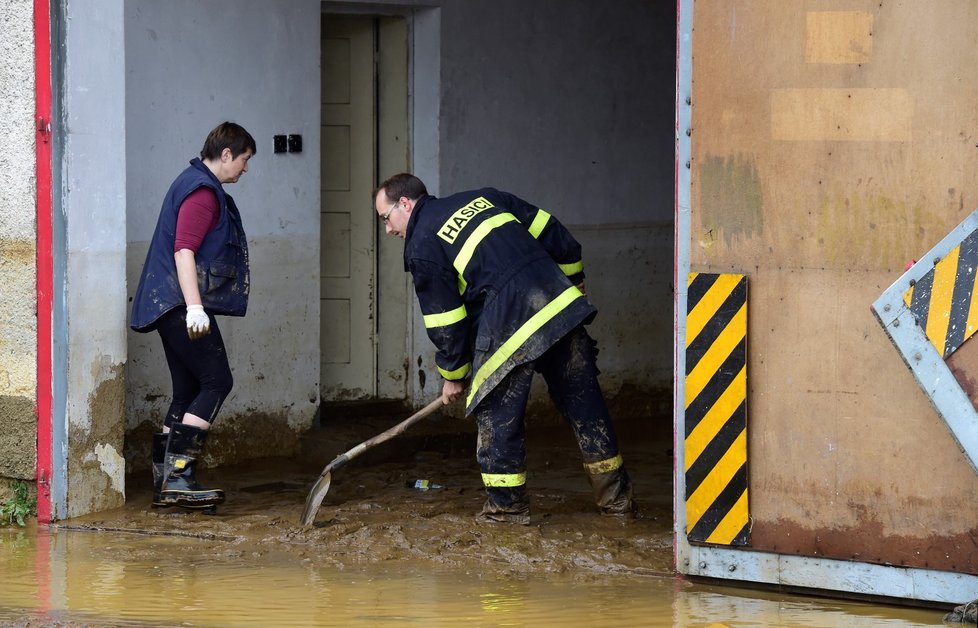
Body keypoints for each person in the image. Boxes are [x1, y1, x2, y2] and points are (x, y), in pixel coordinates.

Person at [372, 173, 634, 524]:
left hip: (510, 323)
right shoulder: (483, 197)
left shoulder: (422, 244)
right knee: (586, 406)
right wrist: (573, 280)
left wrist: (454, 375)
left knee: (496, 417)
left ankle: (506, 512)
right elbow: (552, 230)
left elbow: (446, 321)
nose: (388, 230)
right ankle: (616, 503)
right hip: (560, 307)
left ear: (404, 204)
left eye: (385, 218)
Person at [130, 121, 256, 511]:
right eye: (245, 160)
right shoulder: (202, 192)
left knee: (186, 391)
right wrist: (196, 307)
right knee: (218, 381)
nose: (245, 170)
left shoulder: (191, 180)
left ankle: (165, 482)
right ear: (226, 155)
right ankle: (180, 476)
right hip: (180, 304)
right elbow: (184, 250)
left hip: (167, 303)